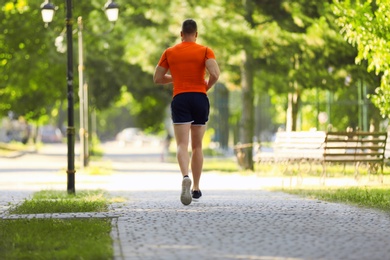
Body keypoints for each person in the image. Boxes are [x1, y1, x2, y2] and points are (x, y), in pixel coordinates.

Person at [153, 18, 220, 205]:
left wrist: (175, 77)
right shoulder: (205, 51)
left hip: (180, 98)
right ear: (196, 34)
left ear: (181, 34)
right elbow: (215, 74)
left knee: (182, 144)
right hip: (199, 98)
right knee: (197, 146)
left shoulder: (169, 52)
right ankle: (196, 188)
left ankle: (185, 176)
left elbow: (157, 78)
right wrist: (206, 87)